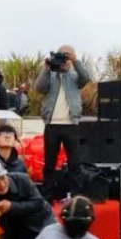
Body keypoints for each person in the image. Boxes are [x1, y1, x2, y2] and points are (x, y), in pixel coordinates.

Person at [34, 46, 92, 181]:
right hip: (52, 125)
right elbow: (39, 87)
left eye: (67, 56)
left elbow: (85, 78)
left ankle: (75, 194)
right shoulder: (50, 76)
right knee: (49, 163)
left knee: (75, 163)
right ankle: (49, 194)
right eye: (61, 55)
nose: (63, 59)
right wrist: (46, 70)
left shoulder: (74, 76)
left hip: (71, 124)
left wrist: (75, 61)